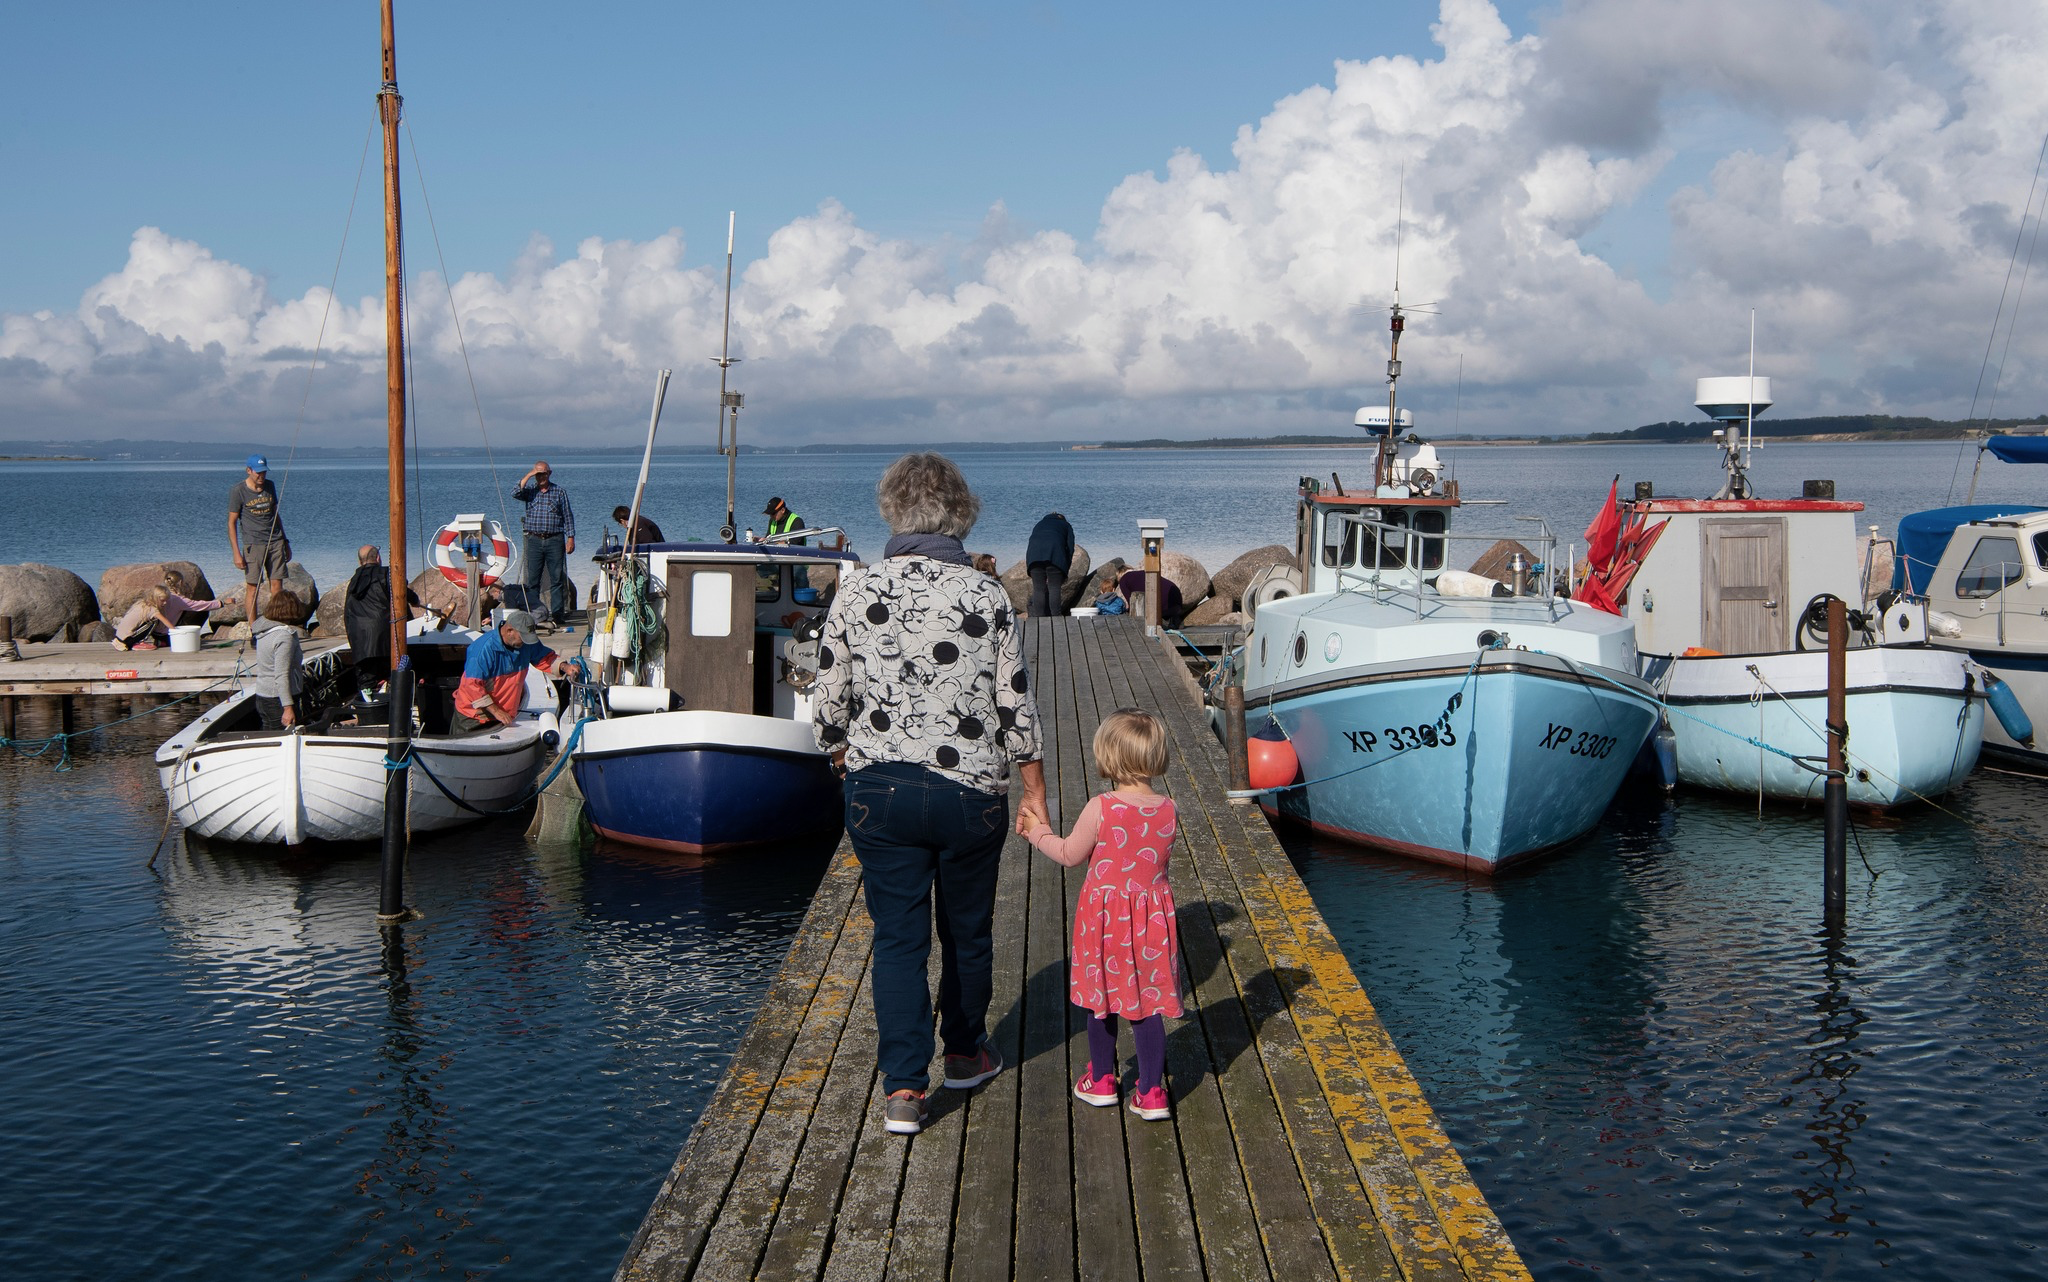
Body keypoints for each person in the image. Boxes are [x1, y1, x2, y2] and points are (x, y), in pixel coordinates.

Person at [812, 452, 1048, 1136]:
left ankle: (905, 1092)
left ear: (892, 509)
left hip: (879, 791)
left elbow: (829, 704)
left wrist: (843, 757)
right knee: (966, 932)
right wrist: (1033, 792)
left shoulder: (856, 592)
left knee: (898, 939)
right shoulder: (986, 594)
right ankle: (967, 1052)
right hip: (970, 791)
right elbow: (1016, 709)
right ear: (961, 513)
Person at [1022, 708, 1182, 1122]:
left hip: (1106, 923)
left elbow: (1069, 855)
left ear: (1110, 756)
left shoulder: (1102, 807)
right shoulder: (1169, 808)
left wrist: (1036, 832)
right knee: (1146, 1006)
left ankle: (1103, 1080)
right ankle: (1150, 1092)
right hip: (1152, 924)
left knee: (1102, 1001)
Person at [452, 609, 576, 733]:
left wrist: (565, 667)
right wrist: (496, 711)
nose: (526, 642)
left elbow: (543, 657)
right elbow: (472, 686)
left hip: (504, 714)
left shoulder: (526, 642)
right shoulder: (482, 650)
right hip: (474, 717)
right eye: (523, 637)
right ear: (509, 630)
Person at [343, 545, 423, 688]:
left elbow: (347, 614)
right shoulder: (387, 574)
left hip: (360, 642)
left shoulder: (353, 582)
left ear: (359, 561)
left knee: (367, 683)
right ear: (378, 558)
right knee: (393, 678)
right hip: (385, 640)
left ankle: (369, 703)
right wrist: (415, 600)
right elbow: (402, 592)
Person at [227, 454, 289, 628]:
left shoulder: (270, 486)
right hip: (253, 544)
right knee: (253, 587)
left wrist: (285, 541)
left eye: (264, 473)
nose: (262, 476)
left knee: (277, 586)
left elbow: (276, 515)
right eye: (258, 473)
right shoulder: (238, 490)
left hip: (275, 541)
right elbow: (231, 522)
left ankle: (277, 626)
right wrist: (236, 553)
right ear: (249, 470)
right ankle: (254, 629)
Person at [513, 460, 575, 629]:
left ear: (550, 473)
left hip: (555, 539)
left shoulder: (559, 492)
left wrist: (571, 538)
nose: (541, 477)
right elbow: (515, 492)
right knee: (533, 580)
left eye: (544, 473)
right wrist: (529, 474)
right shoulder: (530, 491)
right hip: (533, 540)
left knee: (557, 578)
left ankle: (557, 614)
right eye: (538, 474)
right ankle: (534, 614)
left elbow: (568, 516)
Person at [250, 589, 310, 730]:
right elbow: (281, 674)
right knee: (282, 738)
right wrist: (288, 707)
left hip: (263, 695)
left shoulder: (263, 630)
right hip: (278, 699)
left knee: (268, 736)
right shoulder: (284, 636)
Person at [1025, 511, 1075, 617]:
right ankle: (1056, 617)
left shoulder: (1039, 524)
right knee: (1054, 587)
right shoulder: (1066, 525)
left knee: (1038, 589)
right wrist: (1065, 570)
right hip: (1055, 555)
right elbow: (1070, 548)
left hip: (1034, 556)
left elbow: (1031, 542)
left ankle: (1038, 618)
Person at [764, 495, 809, 589]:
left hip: (796, 560)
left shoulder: (797, 521)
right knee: (758, 569)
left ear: (782, 510)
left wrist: (774, 543)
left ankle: (802, 596)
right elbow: (768, 537)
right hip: (776, 559)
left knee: (798, 572)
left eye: (773, 513)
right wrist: (762, 540)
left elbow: (794, 543)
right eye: (770, 514)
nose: (771, 516)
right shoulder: (772, 520)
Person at [111, 586, 177, 649]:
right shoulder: (152, 609)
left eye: (166, 600)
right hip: (126, 641)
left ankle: (155, 642)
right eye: (162, 600)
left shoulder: (142, 603)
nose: (165, 603)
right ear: (155, 598)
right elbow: (165, 621)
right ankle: (139, 643)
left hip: (119, 637)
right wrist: (176, 632)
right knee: (153, 621)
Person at [1118, 567, 1186, 628]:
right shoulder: (1143, 572)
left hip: (1160, 607)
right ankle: (1172, 617)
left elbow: (1132, 603)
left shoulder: (1123, 580)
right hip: (1175, 597)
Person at [161, 569, 228, 631]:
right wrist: (222, 603)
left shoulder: (160, 595)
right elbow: (199, 605)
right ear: (180, 582)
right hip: (167, 633)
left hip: (155, 631)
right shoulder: (179, 600)